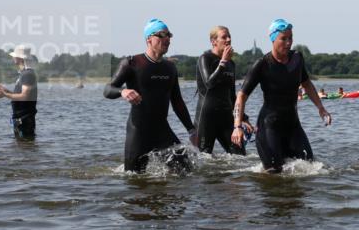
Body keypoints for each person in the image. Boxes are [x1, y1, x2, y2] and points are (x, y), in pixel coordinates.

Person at [231, 19, 331, 172]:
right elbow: (241, 96)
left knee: (311, 167)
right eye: (283, 38)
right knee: (274, 172)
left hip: (292, 125)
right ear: (273, 39)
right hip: (269, 127)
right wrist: (237, 126)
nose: (288, 42)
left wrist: (320, 108)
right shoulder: (262, 64)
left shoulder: (297, 58)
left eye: (290, 38)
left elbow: (307, 84)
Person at [104, 19, 197, 173]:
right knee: (133, 179)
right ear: (149, 39)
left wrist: (191, 130)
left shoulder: (170, 67)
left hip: (162, 131)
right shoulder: (132, 63)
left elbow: (177, 101)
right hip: (138, 132)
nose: (167, 39)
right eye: (162, 35)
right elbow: (108, 89)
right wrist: (123, 91)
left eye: (169, 35)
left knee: (186, 170)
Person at [195, 25, 252, 154]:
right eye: (224, 37)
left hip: (226, 117)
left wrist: (243, 117)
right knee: (204, 159)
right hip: (206, 118)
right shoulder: (205, 58)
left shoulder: (231, 64)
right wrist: (223, 62)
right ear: (213, 41)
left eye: (229, 36)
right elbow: (209, 83)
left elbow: (232, 95)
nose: (228, 39)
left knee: (240, 155)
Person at [0, 44, 38, 140]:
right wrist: (5, 91)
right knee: (20, 145)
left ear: (20, 58)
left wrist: (5, 94)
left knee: (24, 144)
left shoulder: (28, 74)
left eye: (14, 56)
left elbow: (25, 96)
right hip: (19, 118)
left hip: (24, 118)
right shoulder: (24, 73)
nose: (13, 58)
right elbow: (20, 95)